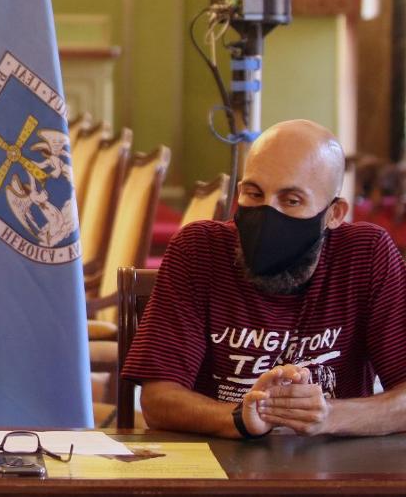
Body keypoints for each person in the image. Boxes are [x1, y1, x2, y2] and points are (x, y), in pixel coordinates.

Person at [123, 119, 406, 438]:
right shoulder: (199, 250)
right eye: (254, 194)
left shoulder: (365, 256)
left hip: (331, 471)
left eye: (292, 200)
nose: (267, 214)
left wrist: (328, 416)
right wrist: (239, 419)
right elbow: (158, 399)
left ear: (334, 214)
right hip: (219, 466)